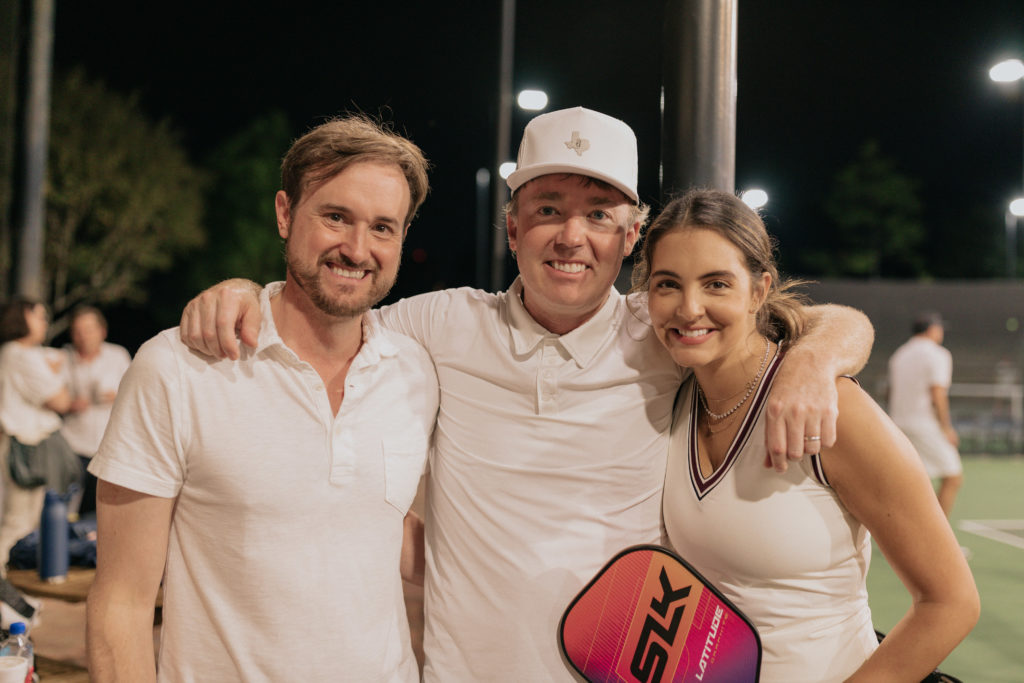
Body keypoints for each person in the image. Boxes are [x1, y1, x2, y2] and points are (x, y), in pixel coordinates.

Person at [178, 107, 876, 680]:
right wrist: (249, 291)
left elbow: (821, 318)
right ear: (513, 227)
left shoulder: (665, 330)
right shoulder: (442, 323)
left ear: (632, 237)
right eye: (548, 208)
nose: (572, 235)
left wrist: (814, 360)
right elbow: (327, 310)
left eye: (600, 214)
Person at [85, 115, 439, 681]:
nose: (356, 248)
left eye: (382, 227)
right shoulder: (176, 368)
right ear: (284, 214)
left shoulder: (416, 371)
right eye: (335, 217)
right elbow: (121, 605)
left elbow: (369, 522)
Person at [638, 189, 978, 682]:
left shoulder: (832, 408)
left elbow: (951, 603)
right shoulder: (672, 395)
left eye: (716, 284)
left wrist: (815, 359)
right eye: (668, 284)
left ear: (759, 291)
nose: (690, 308)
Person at [0, 297, 74, 571]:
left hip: (23, 445)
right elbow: (61, 401)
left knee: (24, 520)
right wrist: (54, 374)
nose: (45, 322)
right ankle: (8, 596)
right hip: (25, 447)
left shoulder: (15, 353)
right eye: (39, 316)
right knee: (19, 522)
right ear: (22, 318)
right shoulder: (20, 354)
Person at [888, 312, 963, 518]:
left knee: (914, 482)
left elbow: (890, 392)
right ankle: (938, 545)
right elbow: (937, 393)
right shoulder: (938, 354)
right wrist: (946, 428)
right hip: (924, 424)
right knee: (953, 477)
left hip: (898, 424)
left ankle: (913, 539)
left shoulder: (899, 354)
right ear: (932, 330)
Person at [60, 306, 132, 518]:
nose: (83, 336)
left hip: (107, 443)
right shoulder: (64, 357)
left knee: (101, 506)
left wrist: (117, 395)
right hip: (73, 443)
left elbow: (133, 391)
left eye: (89, 330)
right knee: (69, 503)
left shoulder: (118, 355)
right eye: (78, 330)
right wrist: (70, 403)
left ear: (102, 331)